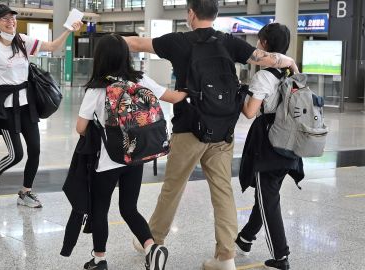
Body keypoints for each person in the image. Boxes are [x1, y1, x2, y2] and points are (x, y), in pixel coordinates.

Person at [123, 1, 299, 269]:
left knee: (173, 187)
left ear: (191, 14)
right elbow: (266, 58)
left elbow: (136, 44)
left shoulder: (178, 42)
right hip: (223, 131)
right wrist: (287, 60)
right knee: (222, 192)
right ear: (215, 15)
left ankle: (153, 239)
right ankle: (225, 256)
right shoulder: (230, 42)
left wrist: (111, 42)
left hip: (189, 128)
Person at [76, 34, 187, 270]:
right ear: (126, 56)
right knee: (129, 208)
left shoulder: (97, 88)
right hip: (136, 156)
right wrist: (194, 90)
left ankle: (99, 259)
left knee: (100, 208)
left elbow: (80, 128)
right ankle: (151, 248)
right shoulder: (141, 80)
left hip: (107, 161)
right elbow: (173, 97)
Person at [0, 4, 82, 208]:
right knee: (16, 154)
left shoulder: (22, 40)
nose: (11, 21)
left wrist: (69, 29)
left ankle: (26, 192)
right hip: (6, 108)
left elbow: (51, 47)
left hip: (27, 105)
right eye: (5, 19)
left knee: (35, 150)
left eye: (12, 18)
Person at [236, 23, 304, 270]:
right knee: (266, 194)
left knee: (268, 198)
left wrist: (240, 93)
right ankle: (245, 238)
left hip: (270, 144)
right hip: (291, 141)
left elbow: (250, 112)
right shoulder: (291, 70)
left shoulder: (264, 76)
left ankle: (280, 256)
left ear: (264, 44)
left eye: (259, 40)